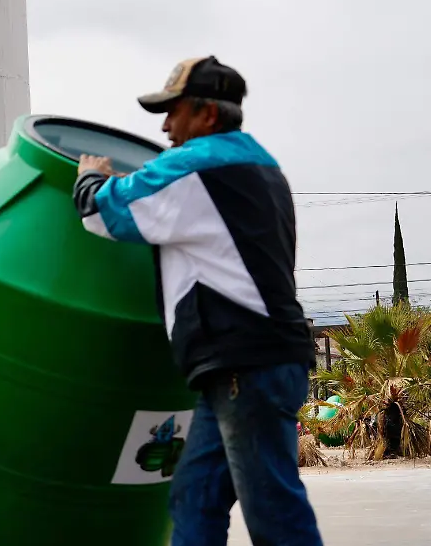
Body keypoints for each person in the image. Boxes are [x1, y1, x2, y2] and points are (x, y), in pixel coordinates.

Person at [73, 57, 322, 545]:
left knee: (274, 511)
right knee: (195, 497)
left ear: (208, 115)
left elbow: (105, 213)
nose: (165, 126)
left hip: (245, 369)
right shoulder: (261, 166)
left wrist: (90, 176)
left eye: (174, 112)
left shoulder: (195, 166)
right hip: (251, 367)